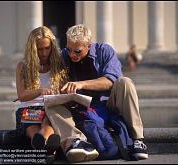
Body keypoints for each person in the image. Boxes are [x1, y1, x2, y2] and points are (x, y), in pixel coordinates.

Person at [61, 24, 148, 160]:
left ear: (89, 45)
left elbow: (110, 80)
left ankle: (138, 139)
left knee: (124, 82)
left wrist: (81, 84)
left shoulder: (104, 51)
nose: (72, 54)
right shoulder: (64, 55)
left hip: (108, 103)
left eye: (77, 51)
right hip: (83, 108)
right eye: (69, 49)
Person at [15, 26, 99, 163]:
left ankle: (42, 145)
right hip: (29, 109)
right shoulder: (23, 66)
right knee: (32, 127)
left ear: (52, 47)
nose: (43, 53)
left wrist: (65, 93)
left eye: (47, 48)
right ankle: (45, 146)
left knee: (48, 123)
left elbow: (63, 91)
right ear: (32, 48)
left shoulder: (58, 64)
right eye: (39, 49)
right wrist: (40, 90)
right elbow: (22, 96)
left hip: (50, 108)